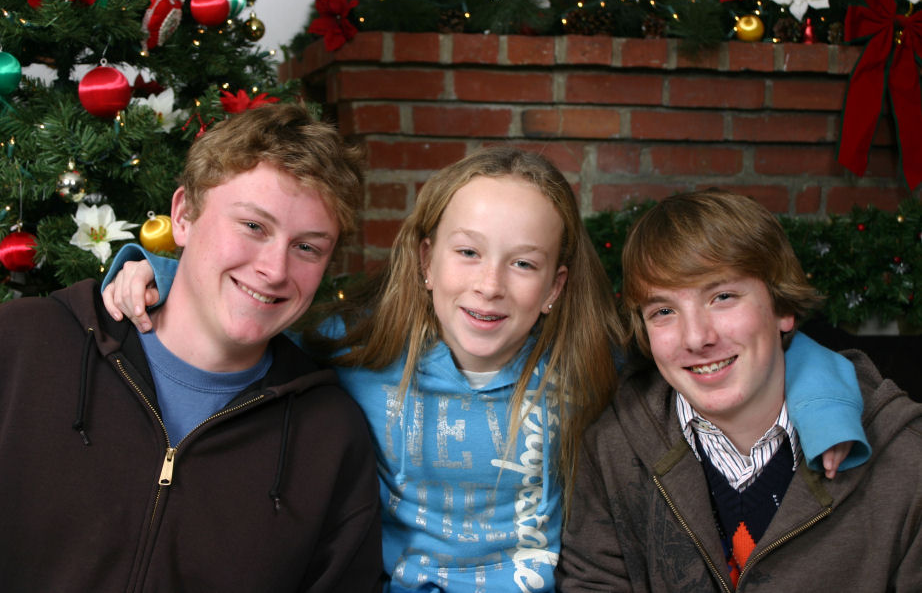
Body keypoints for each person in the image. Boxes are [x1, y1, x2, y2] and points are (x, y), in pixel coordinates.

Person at [102, 151, 865, 592]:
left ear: (555, 287)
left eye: (522, 264)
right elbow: (251, 304)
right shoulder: (357, 345)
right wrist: (155, 270)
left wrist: (828, 411)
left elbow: (742, 346)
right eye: (467, 252)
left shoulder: (590, 357)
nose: (489, 286)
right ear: (425, 258)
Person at [0, 103, 383, 592]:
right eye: (253, 226)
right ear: (183, 216)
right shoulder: (23, 345)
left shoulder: (330, 436)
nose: (275, 270)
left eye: (307, 247)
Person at [555, 189, 922, 592]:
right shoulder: (609, 450)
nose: (696, 338)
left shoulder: (907, 464)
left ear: (782, 308)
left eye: (723, 297)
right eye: (664, 311)